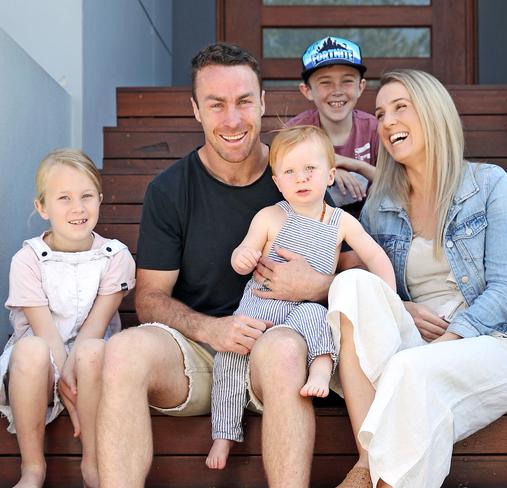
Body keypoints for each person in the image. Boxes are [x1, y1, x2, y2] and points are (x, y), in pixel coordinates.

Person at [96, 43, 340, 487]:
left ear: (263, 102)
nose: (232, 119)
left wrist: (320, 284)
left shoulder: (300, 174)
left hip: (274, 345)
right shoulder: (169, 190)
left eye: (244, 101)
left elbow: (350, 268)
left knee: (285, 351)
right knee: (123, 351)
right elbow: (149, 298)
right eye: (216, 104)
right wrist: (211, 330)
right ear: (195, 110)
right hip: (197, 352)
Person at [326, 69, 507, 488]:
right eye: (381, 114)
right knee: (350, 286)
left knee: (412, 373)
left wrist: (448, 340)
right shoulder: (380, 205)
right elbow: (379, 291)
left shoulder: (489, 184)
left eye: (401, 108)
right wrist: (402, 308)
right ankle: (368, 459)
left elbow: (506, 290)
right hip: (414, 346)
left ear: (434, 112)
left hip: (491, 345)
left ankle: (367, 473)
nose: (387, 122)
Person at [207, 125, 395, 470]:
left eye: (310, 169)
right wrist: (243, 257)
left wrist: (389, 296)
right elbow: (243, 251)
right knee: (227, 360)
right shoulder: (270, 217)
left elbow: (375, 255)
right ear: (277, 181)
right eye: (290, 172)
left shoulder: (341, 222)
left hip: (300, 315)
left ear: (330, 175)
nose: (301, 178)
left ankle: (321, 372)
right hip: (258, 311)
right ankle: (224, 432)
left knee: (317, 317)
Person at [0, 149, 135, 488]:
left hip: (91, 355)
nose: (78, 208)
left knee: (92, 352)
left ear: (100, 200)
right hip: (40, 359)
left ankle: (93, 462)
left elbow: (95, 328)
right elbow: (45, 333)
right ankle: (33, 468)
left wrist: (72, 380)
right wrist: (64, 385)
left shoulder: (115, 257)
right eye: (64, 198)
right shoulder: (28, 260)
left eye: (87, 196)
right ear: (42, 207)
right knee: (30, 349)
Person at [287, 36, 379, 211]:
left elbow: (396, 183)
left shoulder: (374, 129)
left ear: (361, 86)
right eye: (325, 83)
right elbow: (286, 179)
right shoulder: (295, 131)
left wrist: (353, 165)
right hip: (314, 222)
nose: (337, 91)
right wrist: (330, 172)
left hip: (369, 224)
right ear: (307, 91)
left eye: (347, 81)